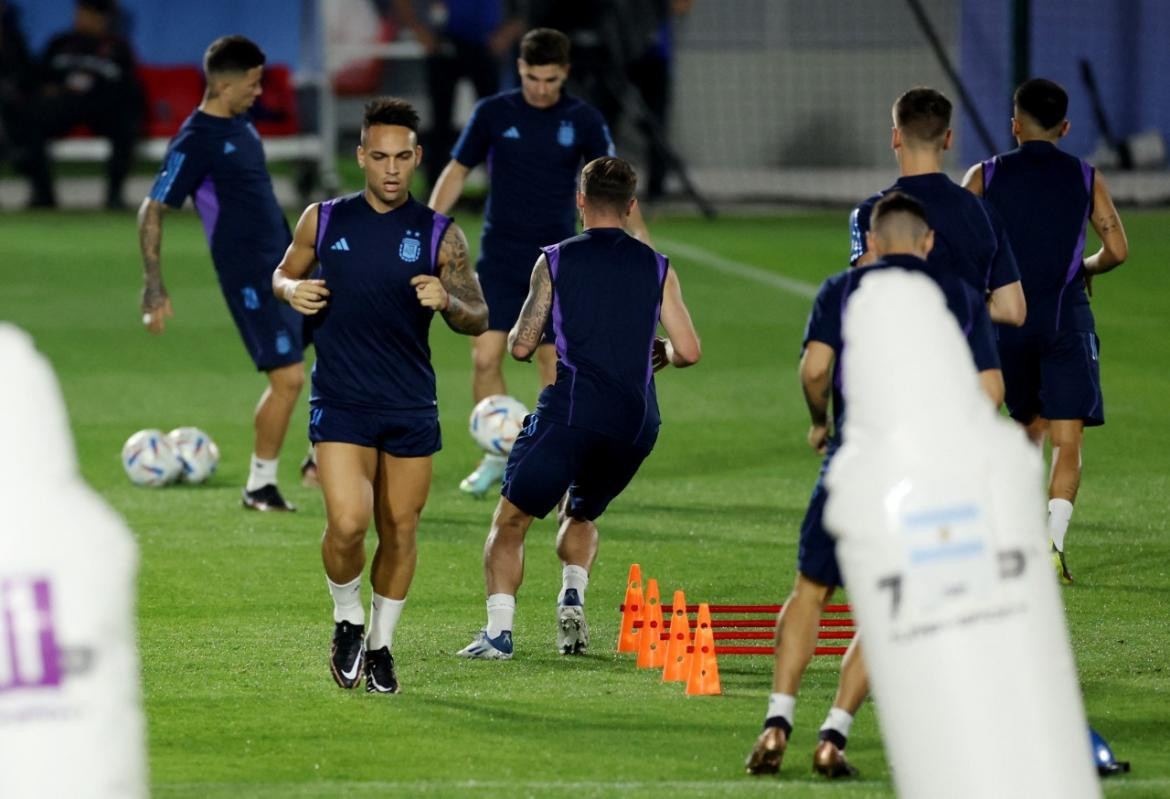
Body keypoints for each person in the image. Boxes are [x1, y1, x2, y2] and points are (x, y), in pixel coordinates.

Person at [745, 192, 1003, 779]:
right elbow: (990, 394)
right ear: (928, 241)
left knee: (811, 592)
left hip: (852, 462)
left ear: (876, 242)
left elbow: (814, 370)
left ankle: (776, 722)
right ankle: (833, 735)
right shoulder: (958, 296)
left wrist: (820, 420)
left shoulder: (842, 289)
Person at [273, 98, 488, 693]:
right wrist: (291, 289)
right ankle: (347, 618)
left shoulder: (442, 235)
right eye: (379, 157)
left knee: (400, 528)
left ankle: (383, 645)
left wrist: (449, 302)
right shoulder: (323, 219)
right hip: (341, 400)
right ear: (361, 157)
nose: (391, 169)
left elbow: (478, 314)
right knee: (347, 524)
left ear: (417, 158)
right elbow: (281, 271)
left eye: (403, 157)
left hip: (410, 406)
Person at [455, 156, 699, 660]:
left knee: (511, 523)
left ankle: (499, 635)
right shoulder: (658, 267)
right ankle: (572, 596)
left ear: (581, 201)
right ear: (631, 207)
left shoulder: (556, 259)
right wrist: (663, 354)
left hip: (570, 411)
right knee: (582, 512)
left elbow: (522, 346)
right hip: (635, 423)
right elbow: (688, 350)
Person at [428, 27, 652, 497]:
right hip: (501, 257)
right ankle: (495, 453)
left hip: (557, 264)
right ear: (520, 70)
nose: (541, 88)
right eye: (532, 77)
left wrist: (643, 247)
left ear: (564, 73)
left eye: (550, 79)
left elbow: (615, 185)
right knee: (485, 355)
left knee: (551, 365)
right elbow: (457, 170)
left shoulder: (584, 119)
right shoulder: (494, 112)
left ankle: (558, 465)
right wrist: (427, 229)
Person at [962, 78, 1128, 584]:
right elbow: (1117, 249)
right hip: (1066, 320)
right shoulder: (1086, 176)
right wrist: (1088, 269)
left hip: (1005, 323)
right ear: (1066, 127)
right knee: (1067, 440)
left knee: (1022, 431)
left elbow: (960, 247)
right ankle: (1052, 544)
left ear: (1015, 125)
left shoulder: (984, 176)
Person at [138, 35, 310, 512]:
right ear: (226, 82)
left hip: (287, 267)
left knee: (341, 340)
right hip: (251, 278)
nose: (259, 91)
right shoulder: (196, 140)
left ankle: (320, 458)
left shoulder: (240, 123)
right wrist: (154, 285)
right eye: (253, 83)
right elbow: (151, 210)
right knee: (288, 378)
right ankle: (259, 485)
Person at [850, 87, 1026, 328]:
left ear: (896, 137)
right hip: (972, 360)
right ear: (948, 139)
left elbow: (877, 295)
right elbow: (1012, 310)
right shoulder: (984, 211)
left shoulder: (873, 213)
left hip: (906, 358)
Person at [19, 0, 142, 209]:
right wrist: (46, 88)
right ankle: (43, 196)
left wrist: (98, 92)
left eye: (88, 15)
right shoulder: (60, 43)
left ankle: (114, 196)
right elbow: (36, 79)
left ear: (103, 19)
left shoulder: (117, 48)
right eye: (80, 13)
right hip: (63, 105)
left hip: (100, 107)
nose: (81, 19)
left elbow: (127, 88)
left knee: (126, 123)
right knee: (29, 120)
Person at [390, 0, 525, 188]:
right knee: (440, 123)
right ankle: (434, 190)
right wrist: (419, 30)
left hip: (486, 43)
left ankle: (500, 191)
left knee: (494, 122)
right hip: (444, 43)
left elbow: (528, 8)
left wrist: (507, 33)